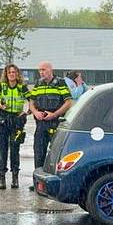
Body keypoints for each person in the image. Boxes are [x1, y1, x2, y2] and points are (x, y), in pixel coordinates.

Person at [27, 61, 74, 190]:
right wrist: (35, 112)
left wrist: (54, 114)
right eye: (40, 70)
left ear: (50, 70)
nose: (41, 72)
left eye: (44, 70)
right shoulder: (38, 83)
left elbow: (68, 102)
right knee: (39, 152)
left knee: (55, 154)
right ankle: (37, 183)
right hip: (41, 123)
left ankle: (55, 183)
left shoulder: (60, 83)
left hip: (55, 123)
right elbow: (31, 101)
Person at [0, 64, 30, 189]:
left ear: (17, 74)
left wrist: (27, 112)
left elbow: (32, 100)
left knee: (15, 150)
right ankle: (2, 177)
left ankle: (15, 178)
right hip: (3, 120)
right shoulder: (2, 87)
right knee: (3, 150)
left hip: (17, 120)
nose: (12, 74)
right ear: (6, 74)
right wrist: (0, 106)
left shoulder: (22, 87)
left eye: (14, 72)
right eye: (10, 72)